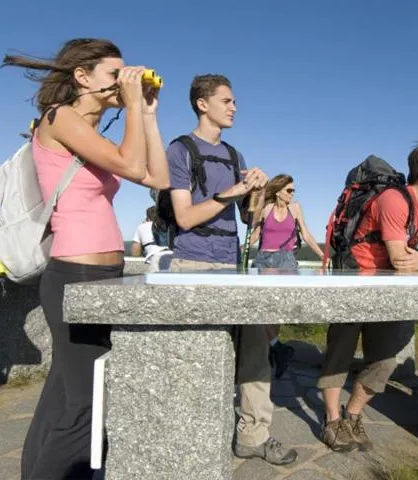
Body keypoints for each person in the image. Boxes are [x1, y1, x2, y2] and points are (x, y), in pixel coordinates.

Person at [3, 38, 169, 480]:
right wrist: (132, 105)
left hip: (100, 274)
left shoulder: (93, 136)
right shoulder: (62, 118)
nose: (122, 82)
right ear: (82, 76)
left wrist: (147, 113)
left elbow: (157, 177)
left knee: (63, 390)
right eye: (114, 74)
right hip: (75, 274)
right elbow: (133, 168)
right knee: (85, 401)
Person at [167, 74, 297, 465]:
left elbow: (249, 219)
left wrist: (256, 190)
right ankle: (190, 434)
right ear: (202, 104)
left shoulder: (234, 155)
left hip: (231, 263)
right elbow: (185, 217)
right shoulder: (180, 150)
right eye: (226, 100)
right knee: (197, 357)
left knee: (256, 350)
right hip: (192, 262)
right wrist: (233, 192)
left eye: (234, 101)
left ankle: (254, 435)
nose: (234, 107)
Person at [317, 135, 418, 452]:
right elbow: (399, 259)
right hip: (354, 282)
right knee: (339, 355)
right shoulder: (393, 200)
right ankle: (331, 420)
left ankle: (352, 415)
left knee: (384, 361)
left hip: (386, 291)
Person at [249, 174, 324, 378]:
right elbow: (254, 235)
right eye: (289, 190)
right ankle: (277, 348)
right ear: (279, 191)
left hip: (286, 262)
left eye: (293, 190)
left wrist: (324, 257)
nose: (292, 194)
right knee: (260, 308)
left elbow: (306, 234)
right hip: (264, 260)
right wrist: (240, 255)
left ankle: (274, 351)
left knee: (277, 310)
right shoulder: (266, 208)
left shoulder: (295, 208)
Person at [131, 205, 172, 271]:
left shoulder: (142, 226)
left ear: (148, 217)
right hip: (173, 256)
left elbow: (135, 252)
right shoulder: (169, 225)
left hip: (155, 258)